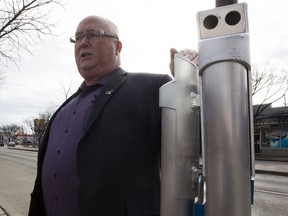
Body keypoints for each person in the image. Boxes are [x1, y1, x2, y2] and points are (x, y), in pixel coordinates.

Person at [28, 15, 198, 216]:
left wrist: (187, 83)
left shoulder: (152, 88)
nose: (83, 42)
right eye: (78, 37)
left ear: (117, 47)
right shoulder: (63, 108)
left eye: (92, 34)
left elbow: (198, 141)